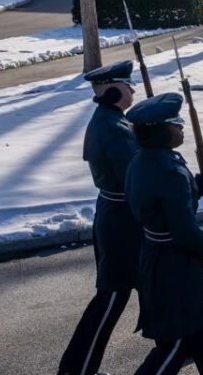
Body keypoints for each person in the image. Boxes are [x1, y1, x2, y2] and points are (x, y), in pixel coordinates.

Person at [124, 93, 203, 375]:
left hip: (159, 259)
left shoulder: (144, 160)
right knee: (175, 345)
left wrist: (197, 187)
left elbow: (160, 205)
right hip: (175, 268)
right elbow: (185, 232)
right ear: (162, 130)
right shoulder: (169, 169)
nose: (181, 127)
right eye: (176, 123)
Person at [59, 61, 142, 375]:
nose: (132, 89)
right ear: (113, 89)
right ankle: (77, 369)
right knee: (111, 298)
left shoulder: (111, 120)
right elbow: (134, 179)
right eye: (127, 84)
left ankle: (188, 342)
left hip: (117, 216)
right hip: (121, 222)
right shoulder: (112, 128)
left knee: (152, 288)